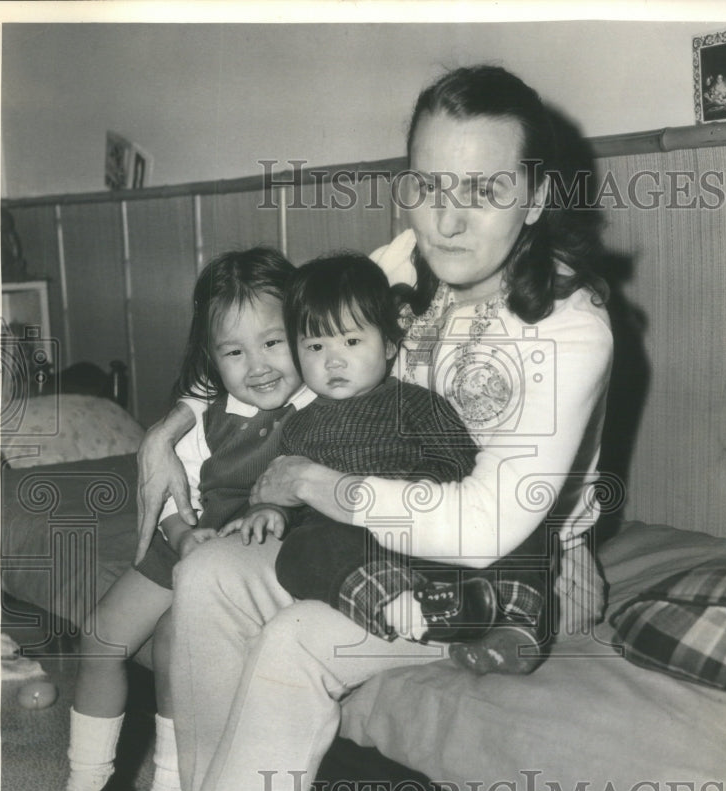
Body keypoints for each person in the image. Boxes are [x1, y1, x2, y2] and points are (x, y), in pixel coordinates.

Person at [115, 64, 613, 791]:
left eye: (486, 189)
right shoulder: (414, 255)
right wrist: (170, 425)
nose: (450, 218)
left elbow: (483, 528)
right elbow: (279, 329)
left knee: (302, 636)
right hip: (371, 545)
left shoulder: (570, 326)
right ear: (406, 185)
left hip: (508, 572)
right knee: (207, 573)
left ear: (537, 196)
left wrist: (319, 487)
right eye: (428, 186)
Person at [22, 247, 311, 791]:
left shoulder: (323, 406)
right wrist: (183, 533)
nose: (257, 365)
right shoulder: (204, 415)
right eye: (234, 352)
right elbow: (172, 507)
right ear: (211, 359)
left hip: (246, 559)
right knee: (101, 638)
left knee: (178, 653)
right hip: (185, 540)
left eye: (273, 341)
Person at [223, 251, 548, 663]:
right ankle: (405, 609)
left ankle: (514, 621)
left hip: (431, 533)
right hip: (357, 547)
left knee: (511, 508)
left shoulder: (414, 403)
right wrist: (272, 510)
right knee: (300, 552)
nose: (333, 360)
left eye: (352, 341)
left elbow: (457, 460)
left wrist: (418, 488)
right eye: (315, 345)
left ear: (391, 343)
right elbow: (291, 497)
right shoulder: (299, 426)